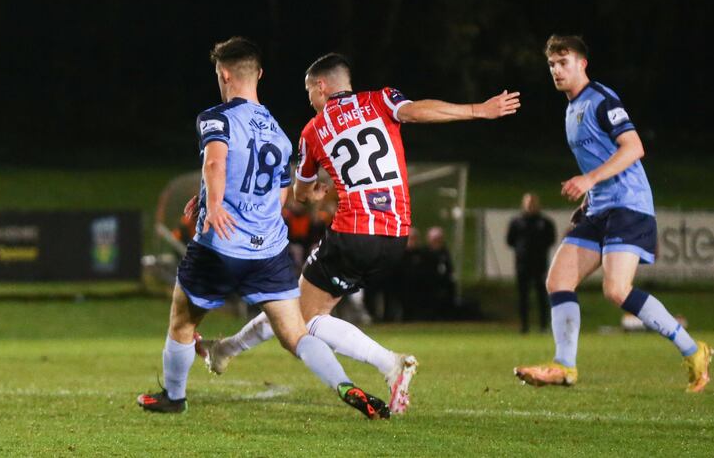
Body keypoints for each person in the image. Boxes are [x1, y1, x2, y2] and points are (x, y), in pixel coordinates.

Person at [199, 53, 521, 414]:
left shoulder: (315, 129)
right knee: (302, 309)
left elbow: (300, 196)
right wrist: (478, 109)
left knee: (300, 318)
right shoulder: (381, 99)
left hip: (354, 232)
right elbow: (417, 111)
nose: (310, 101)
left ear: (321, 86)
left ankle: (388, 363)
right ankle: (224, 350)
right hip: (397, 236)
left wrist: (317, 191)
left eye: (309, 93)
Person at [137, 38, 389, 419]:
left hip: (220, 246)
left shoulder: (216, 117)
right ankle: (344, 385)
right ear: (260, 75)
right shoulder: (279, 133)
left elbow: (216, 164)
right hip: (268, 253)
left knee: (183, 322)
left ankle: (174, 396)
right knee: (296, 335)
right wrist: (209, 198)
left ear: (224, 74)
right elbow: (281, 198)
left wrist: (215, 204)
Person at [515, 35, 713, 391]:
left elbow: (634, 147)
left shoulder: (601, 101)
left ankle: (693, 349)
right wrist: (590, 194)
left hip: (628, 205)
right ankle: (564, 366)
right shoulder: (570, 109)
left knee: (616, 290)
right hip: (599, 207)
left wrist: (589, 179)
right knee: (558, 281)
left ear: (582, 64)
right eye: (552, 65)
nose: (557, 70)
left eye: (564, 62)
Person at [506, 192, 556, 333]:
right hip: (522, 264)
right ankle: (524, 326)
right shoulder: (516, 222)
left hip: (540, 264)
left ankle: (543, 326)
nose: (530, 206)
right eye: (528, 203)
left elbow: (551, 240)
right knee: (523, 296)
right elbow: (510, 241)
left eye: (533, 203)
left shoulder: (545, 223)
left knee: (542, 295)